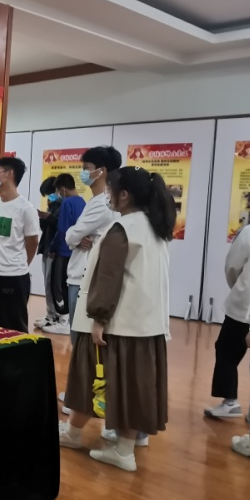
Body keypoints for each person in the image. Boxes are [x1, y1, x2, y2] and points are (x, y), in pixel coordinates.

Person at [58, 167, 174, 472]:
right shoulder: (155, 227)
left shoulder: (122, 228)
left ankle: (73, 434)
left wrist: (99, 317)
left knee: (89, 379)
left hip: (116, 324)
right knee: (133, 385)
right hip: (146, 324)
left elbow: (108, 276)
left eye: (110, 189)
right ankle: (124, 449)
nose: (107, 194)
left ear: (124, 195)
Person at [65, 146, 122, 342]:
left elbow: (71, 236)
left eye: (86, 167)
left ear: (101, 171)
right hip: (81, 275)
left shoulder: (102, 204)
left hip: (84, 278)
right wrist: (76, 237)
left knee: (80, 340)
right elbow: (76, 236)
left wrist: (73, 237)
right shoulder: (97, 201)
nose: (83, 172)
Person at [0, 156, 40, 332]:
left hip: (14, 275)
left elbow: (33, 241)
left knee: (14, 326)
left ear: (9, 174)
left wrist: (21, 263)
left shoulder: (25, 208)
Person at [203, 224, 250, 419]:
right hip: (244, 306)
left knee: (226, 351)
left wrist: (238, 288)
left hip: (243, 307)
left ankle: (230, 401)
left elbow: (233, 266)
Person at [43, 174, 86, 336]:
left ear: (62, 189)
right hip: (74, 252)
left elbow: (62, 229)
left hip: (63, 250)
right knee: (68, 286)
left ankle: (63, 321)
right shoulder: (82, 202)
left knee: (59, 286)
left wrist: (53, 247)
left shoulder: (67, 202)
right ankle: (67, 320)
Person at [33, 177, 61, 331]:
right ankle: (50, 314)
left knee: (52, 284)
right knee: (47, 283)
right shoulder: (52, 205)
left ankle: (55, 316)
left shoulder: (64, 205)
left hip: (54, 250)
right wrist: (43, 218)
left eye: (49, 193)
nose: (49, 197)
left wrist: (49, 217)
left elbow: (61, 226)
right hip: (46, 247)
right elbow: (46, 227)